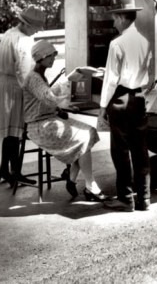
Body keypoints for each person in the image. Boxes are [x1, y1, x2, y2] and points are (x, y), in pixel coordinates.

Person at [23, 40, 107, 201]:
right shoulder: (33, 78)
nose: (53, 59)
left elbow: (43, 102)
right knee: (82, 138)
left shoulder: (39, 75)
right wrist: (70, 78)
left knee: (89, 131)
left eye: (54, 56)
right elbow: (49, 97)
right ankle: (90, 186)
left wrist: (60, 110)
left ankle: (72, 177)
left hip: (49, 119)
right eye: (50, 57)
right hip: (39, 126)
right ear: (41, 57)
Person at [98, 0, 153, 211]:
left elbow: (111, 79)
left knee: (120, 151)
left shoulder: (116, 44)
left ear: (121, 17)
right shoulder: (144, 41)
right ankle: (145, 198)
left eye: (114, 17)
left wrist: (103, 107)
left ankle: (126, 198)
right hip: (138, 97)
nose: (113, 22)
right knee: (141, 149)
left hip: (120, 99)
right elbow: (147, 75)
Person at [0, 5, 45, 186]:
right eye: (36, 27)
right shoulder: (23, 41)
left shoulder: (9, 33)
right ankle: (15, 172)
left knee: (10, 131)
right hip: (14, 86)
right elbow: (23, 71)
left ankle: (5, 168)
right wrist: (33, 90)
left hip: (2, 84)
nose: (37, 31)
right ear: (28, 25)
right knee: (15, 132)